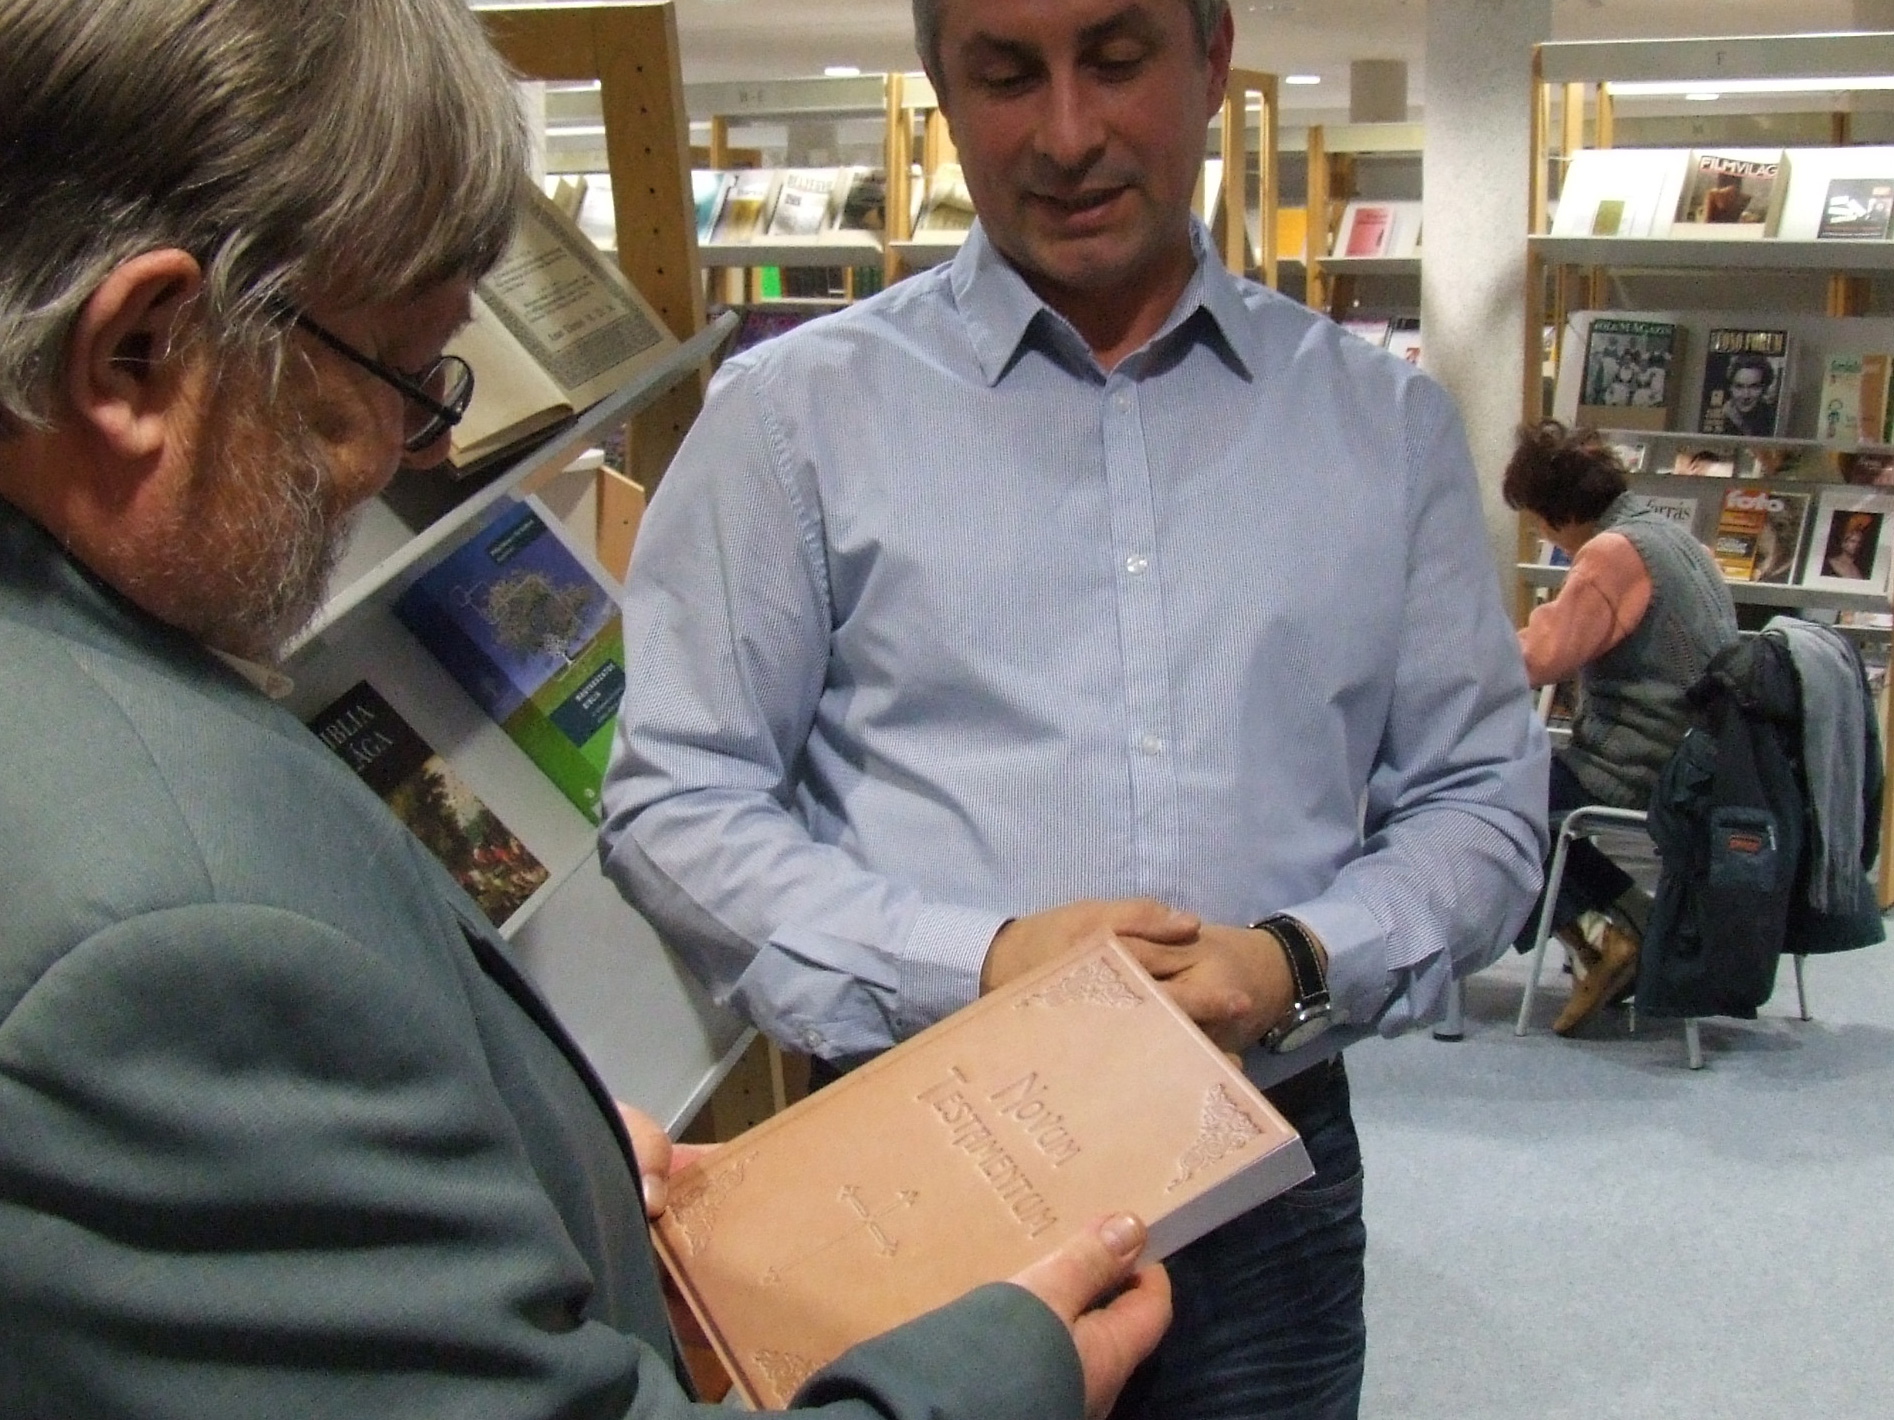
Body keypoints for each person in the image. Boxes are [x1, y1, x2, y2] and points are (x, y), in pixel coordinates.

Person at [0, 2, 1173, 1417]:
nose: (416, 449)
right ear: (136, 358)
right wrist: (994, 1378)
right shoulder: (173, 941)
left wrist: (550, 1174)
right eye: (399, 372)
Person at [599, 0, 1549, 1415]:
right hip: (911, 1185)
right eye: (1004, 75)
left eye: (1113, 61)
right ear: (940, 88)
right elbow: (676, 800)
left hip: (1261, 1190)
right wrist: (974, 965)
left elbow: (1481, 801)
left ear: (1210, 58)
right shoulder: (790, 420)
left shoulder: (1380, 425)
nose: (1064, 133)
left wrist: (1294, 960)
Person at [1503, 421, 1739, 1034]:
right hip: (1697, 758)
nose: (1542, 535)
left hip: (1640, 766)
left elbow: (1539, 656)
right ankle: (1623, 928)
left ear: (1556, 512)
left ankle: (1608, 934)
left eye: (1537, 521)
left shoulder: (1613, 554)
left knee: (1492, 799)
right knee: (1523, 788)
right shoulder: (1674, 539)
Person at [1707, 351, 1779, 437]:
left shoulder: (1773, 418)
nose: (1746, 395)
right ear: (1730, 388)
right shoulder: (1718, 419)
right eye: (1739, 387)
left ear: (1765, 388)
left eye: (1754, 387)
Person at [1823, 510, 1877, 579]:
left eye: (1859, 542)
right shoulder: (1830, 564)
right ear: (1843, 543)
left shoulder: (1859, 570)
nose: (1856, 545)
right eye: (1852, 541)